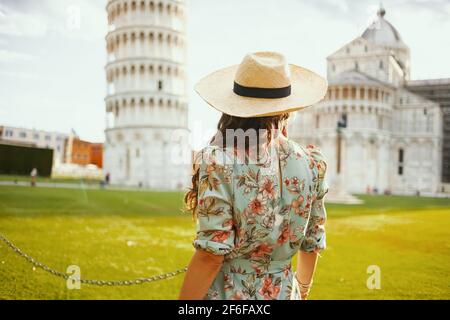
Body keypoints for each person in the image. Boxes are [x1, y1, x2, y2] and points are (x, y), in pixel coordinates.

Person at [179, 52, 329, 300]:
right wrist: (300, 294)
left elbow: (210, 256)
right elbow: (312, 243)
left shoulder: (220, 161)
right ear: (286, 109)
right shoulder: (312, 163)